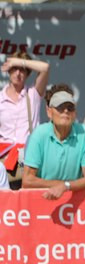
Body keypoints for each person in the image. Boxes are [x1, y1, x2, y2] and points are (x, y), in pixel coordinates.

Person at [21, 85, 85, 199]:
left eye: (70, 107)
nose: (65, 111)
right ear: (49, 112)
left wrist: (65, 186)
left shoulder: (84, 132)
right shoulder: (39, 134)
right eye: (60, 107)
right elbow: (27, 180)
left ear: (74, 113)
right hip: (40, 199)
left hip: (74, 202)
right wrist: (62, 186)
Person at [0, 50, 50, 187]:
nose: (18, 74)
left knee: (27, 201)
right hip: (4, 157)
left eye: (22, 70)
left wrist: (18, 61)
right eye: (14, 69)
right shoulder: (0, 98)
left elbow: (45, 68)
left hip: (28, 158)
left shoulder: (33, 93)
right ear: (9, 71)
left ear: (27, 74)